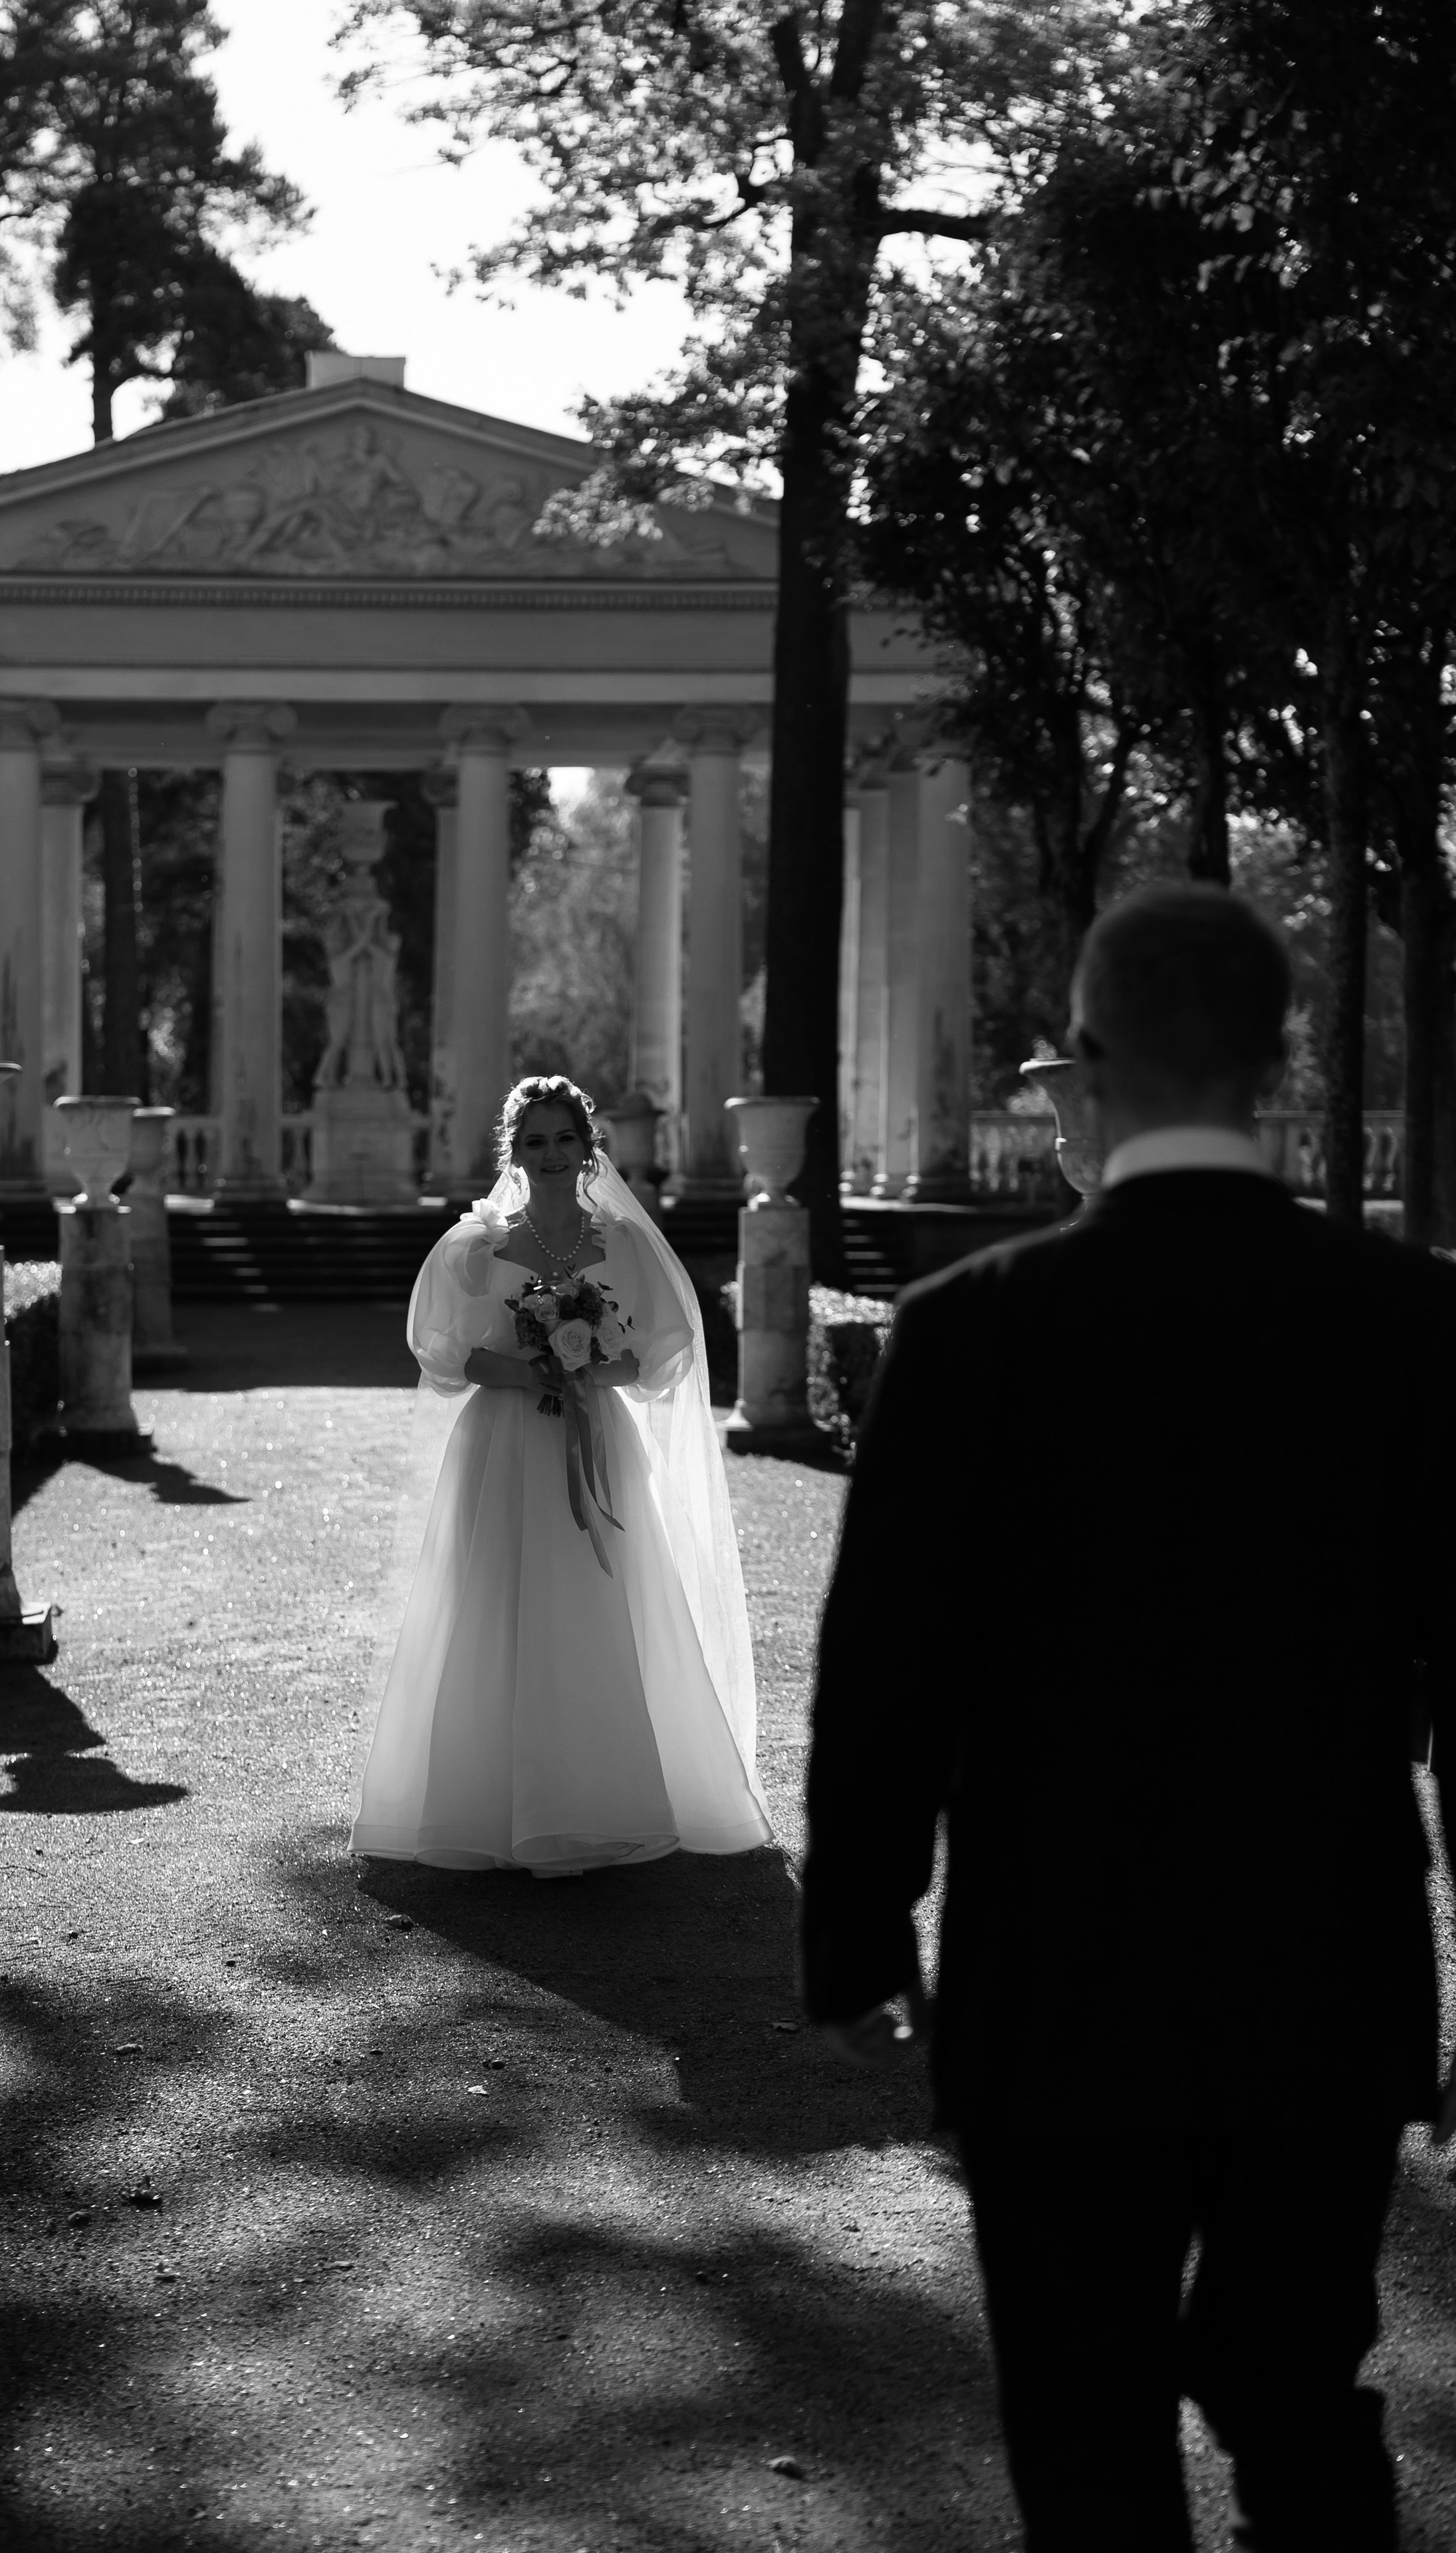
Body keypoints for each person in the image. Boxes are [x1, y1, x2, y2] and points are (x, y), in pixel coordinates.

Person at [802, 883, 1456, 2553]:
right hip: (1326, 1972)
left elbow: (889, 1668)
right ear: (1273, 1063)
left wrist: (863, 1933)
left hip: (1056, 1985)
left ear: (1082, 1075)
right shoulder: (1416, 1328)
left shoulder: (969, 1334)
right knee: (1303, 2397)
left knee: (1083, 2435)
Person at [353, 1073, 771, 1875]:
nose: (551, 1155)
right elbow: (441, 1350)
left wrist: (585, 1373)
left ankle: (600, 1796)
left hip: (595, 1437)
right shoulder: (477, 1246)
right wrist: (524, 1372)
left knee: (593, 1596)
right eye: (534, 1142)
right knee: (495, 1597)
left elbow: (658, 1353)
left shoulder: (625, 1244)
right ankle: (490, 1801)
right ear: (514, 1152)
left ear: (588, 1147)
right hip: (503, 1440)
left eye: (564, 1138)